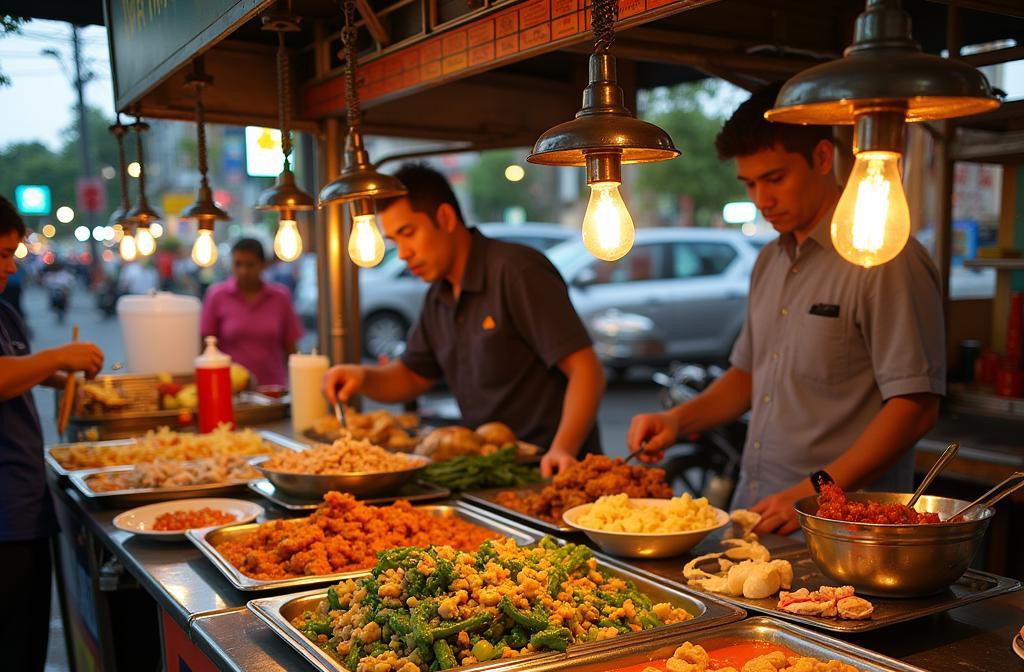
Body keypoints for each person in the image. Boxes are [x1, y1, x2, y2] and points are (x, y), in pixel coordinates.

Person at [628, 84, 945, 534]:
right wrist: (675, 420)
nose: (761, 199)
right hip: (757, 509)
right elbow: (746, 376)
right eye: (750, 184)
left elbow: (914, 406)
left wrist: (816, 490)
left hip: (842, 528)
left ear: (821, 158)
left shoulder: (886, 258)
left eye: (774, 179)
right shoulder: (769, 260)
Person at [322, 164, 606, 476]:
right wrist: (361, 377)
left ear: (444, 218)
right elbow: (412, 376)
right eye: (393, 241)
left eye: (408, 233)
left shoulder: (516, 271)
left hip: (553, 468)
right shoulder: (438, 295)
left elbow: (586, 370)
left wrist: (563, 449)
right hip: (491, 472)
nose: (402, 253)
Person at [0, 195, 104, 672]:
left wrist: (54, 374)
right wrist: (54, 363)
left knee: (27, 655)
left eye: (9, 252)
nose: (5, 265)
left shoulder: (6, 310)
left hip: (23, 503)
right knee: (0, 664)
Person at [200, 237, 302, 388]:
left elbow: (290, 348)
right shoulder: (217, 295)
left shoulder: (280, 297)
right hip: (229, 388)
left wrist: (297, 384)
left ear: (263, 265)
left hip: (273, 389)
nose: (243, 271)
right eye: (238, 264)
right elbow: (205, 346)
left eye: (250, 265)